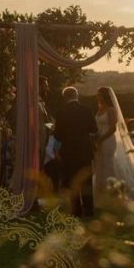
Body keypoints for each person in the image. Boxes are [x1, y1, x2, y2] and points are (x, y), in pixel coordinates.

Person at [92, 87, 134, 208]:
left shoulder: (111, 110)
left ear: (105, 96)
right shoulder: (99, 109)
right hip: (99, 140)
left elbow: (112, 128)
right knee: (99, 165)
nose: (97, 97)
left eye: (99, 95)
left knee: (108, 163)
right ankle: (100, 193)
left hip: (108, 140)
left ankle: (112, 192)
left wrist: (101, 138)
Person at [53, 86, 98, 217]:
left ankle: (76, 211)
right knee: (86, 181)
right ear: (76, 95)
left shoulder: (61, 112)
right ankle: (89, 210)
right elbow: (94, 129)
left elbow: (58, 136)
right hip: (84, 150)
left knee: (72, 181)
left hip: (68, 152)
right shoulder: (87, 109)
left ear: (65, 97)